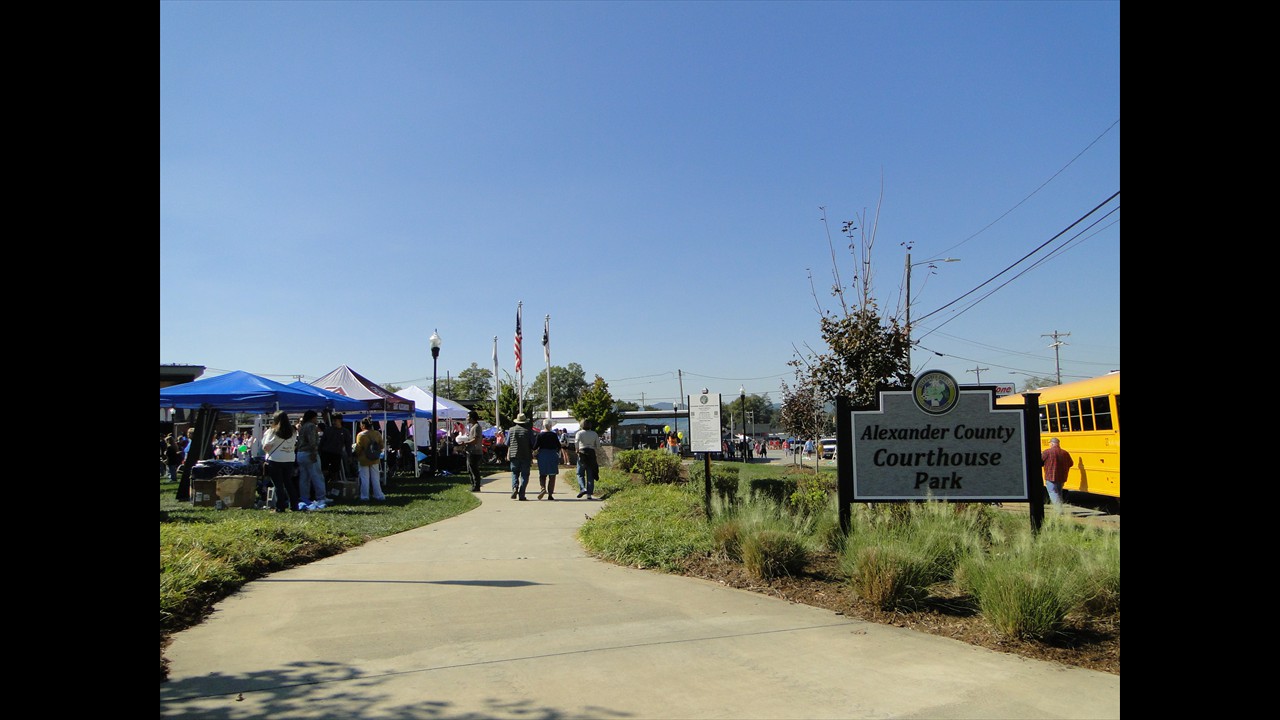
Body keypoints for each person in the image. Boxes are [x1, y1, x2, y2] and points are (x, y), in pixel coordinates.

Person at [262, 411, 299, 512]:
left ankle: (280, 506)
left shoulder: (273, 431)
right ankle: (294, 505)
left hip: (275, 459)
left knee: (278, 484)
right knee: (288, 483)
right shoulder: (293, 431)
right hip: (289, 459)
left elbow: (266, 447)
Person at [295, 410, 327, 510]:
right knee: (317, 476)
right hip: (309, 453)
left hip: (300, 453)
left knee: (304, 478)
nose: (316, 420)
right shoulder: (312, 426)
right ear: (312, 418)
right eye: (316, 417)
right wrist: (314, 452)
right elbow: (312, 441)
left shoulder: (303, 427)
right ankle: (321, 498)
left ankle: (304, 497)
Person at [354, 418, 387, 502]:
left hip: (364, 459)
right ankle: (378, 495)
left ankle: (364, 496)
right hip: (375, 459)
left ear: (363, 425)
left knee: (364, 478)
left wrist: (355, 454)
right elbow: (382, 446)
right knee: (375, 478)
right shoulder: (377, 433)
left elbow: (358, 448)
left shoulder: (360, 435)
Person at [506, 412, 534, 500]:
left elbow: (507, 443)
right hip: (526, 455)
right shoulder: (528, 431)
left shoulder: (511, 430)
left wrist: (508, 453)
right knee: (525, 475)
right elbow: (533, 444)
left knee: (514, 473)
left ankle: (515, 487)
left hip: (514, 454)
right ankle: (522, 493)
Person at [533, 419, 563, 500]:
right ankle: (550, 494)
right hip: (552, 455)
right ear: (550, 426)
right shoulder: (554, 435)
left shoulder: (540, 435)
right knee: (552, 475)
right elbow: (559, 446)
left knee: (542, 474)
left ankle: (543, 488)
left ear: (543, 425)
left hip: (542, 455)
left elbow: (535, 447)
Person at [318, 415, 351, 486]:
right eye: (333, 421)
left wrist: (349, 456)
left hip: (337, 454)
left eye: (335, 420)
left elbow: (348, 445)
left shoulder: (345, 431)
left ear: (340, 420)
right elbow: (322, 442)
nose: (333, 422)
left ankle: (334, 486)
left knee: (335, 472)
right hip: (326, 453)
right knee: (324, 471)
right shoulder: (328, 430)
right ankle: (323, 485)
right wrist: (319, 452)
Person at [1041, 437, 1074, 507]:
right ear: (1058, 444)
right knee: (1059, 492)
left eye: (1050, 443)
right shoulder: (1065, 453)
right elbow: (1071, 463)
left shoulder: (1047, 452)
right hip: (1062, 476)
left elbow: (1040, 462)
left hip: (1050, 476)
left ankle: (1058, 508)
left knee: (1052, 492)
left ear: (1052, 444)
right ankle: (1060, 507)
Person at [459, 409, 486, 492]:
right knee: (470, 470)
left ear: (472, 418)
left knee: (474, 470)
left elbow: (475, 440)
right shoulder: (473, 427)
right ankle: (473, 485)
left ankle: (476, 486)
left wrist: (465, 443)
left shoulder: (477, 427)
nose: (467, 418)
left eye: (468, 417)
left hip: (474, 452)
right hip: (470, 451)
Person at [574, 418, 602, 500]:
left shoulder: (579, 433)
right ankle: (589, 494)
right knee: (590, 474)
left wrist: (577, 450)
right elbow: (598, 445)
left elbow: (576, 442)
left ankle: (583, 488)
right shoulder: (594, 433)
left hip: (582, 452)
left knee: (580, 473)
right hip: (591, 453)